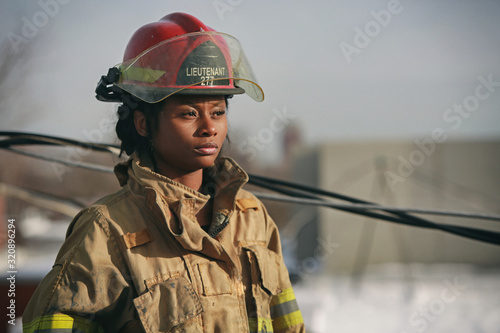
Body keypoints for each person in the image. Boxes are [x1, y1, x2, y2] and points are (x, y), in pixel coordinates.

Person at [22, 12, 305, 333]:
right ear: (143, 123)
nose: (209, 127)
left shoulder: (253, 217)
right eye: (188, 113)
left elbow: (289, 324)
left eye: (218, 111)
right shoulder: (107, 230)